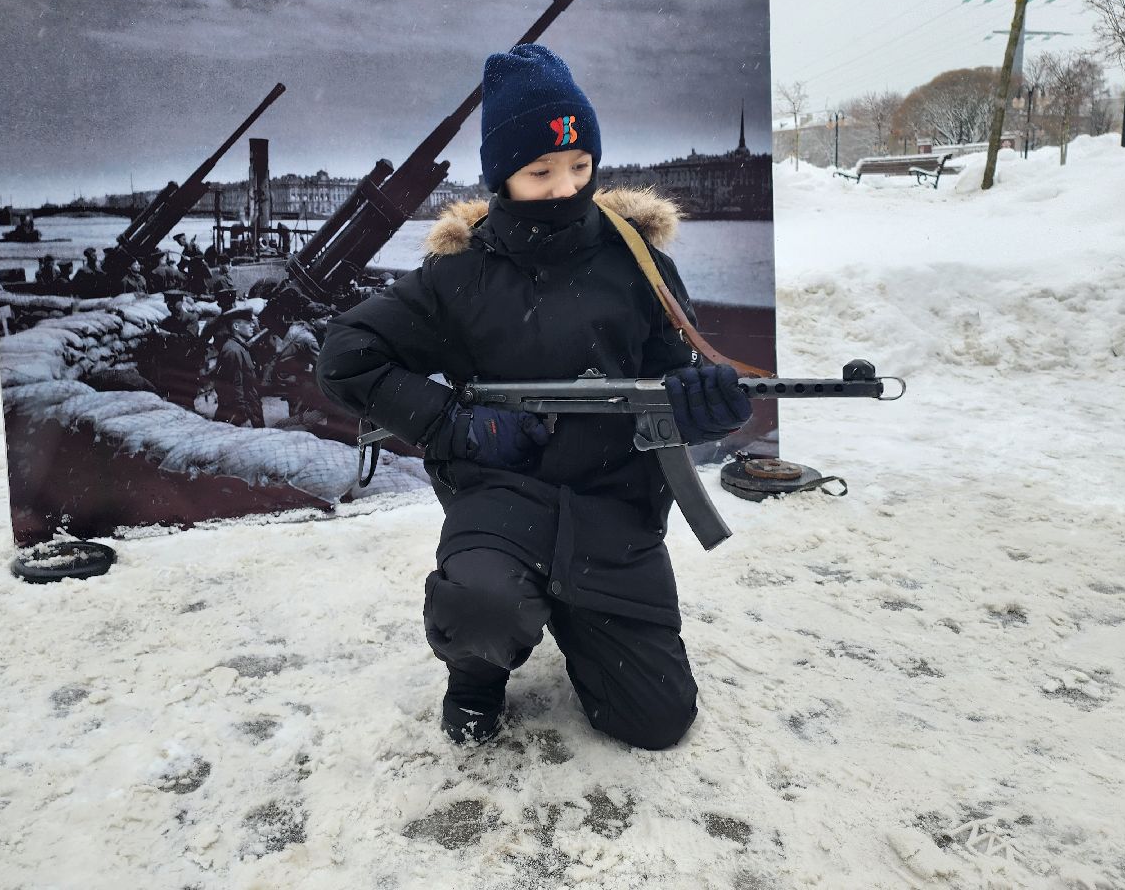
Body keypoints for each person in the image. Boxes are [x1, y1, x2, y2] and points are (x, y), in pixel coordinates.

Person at [316, 44, 751, 749]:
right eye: (540, 171)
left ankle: (572, 614)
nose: (564, 186)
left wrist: (711, 408)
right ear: (501, 175)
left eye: (580, 166)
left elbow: (675, 374)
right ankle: (477, 669)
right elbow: (345, 357)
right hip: (500, 500)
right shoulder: (457, 276)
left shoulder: (639, 262)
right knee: (481, 609)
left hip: (614, 510)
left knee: (656, 723)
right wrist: (455, 426)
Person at [212, 307, 265, 427]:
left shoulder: (240, 347)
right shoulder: (233, 351)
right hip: (241, 415)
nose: (252, 326)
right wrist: (245, 417)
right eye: (248, 323)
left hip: (251, 409)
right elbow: (235, 388)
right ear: (236, 327)